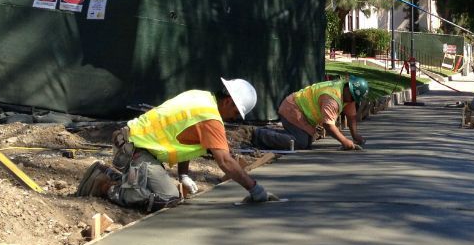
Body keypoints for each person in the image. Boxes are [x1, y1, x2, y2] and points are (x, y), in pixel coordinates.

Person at [112, 77, 275, 210]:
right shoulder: (210, 118)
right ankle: (105, 185)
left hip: (131, 142)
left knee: (156, 190)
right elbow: (225, 161)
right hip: (134, 150)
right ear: (228, 101)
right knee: (168, 198)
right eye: (235, 112)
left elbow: (186, 138)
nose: (233, 118)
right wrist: (254, 188)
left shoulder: (200, 97)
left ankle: (113, 177)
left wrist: (183, 175)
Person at [277, 75, 369, 150]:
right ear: (348, 88)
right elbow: (328, 125)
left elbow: (351, 117)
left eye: (354, 99)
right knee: (301, 142)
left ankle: (275, 134)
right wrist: (344, 141)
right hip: (292, 109)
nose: (352, 101)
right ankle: (262, 136)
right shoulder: (332, 97)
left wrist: (355, 135)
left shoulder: (347, 95)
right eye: (352, 97)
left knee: (307, 140)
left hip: (301, 114)